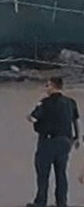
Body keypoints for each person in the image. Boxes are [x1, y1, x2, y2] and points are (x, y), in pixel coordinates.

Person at [27, 76, 80, 207]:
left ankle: (41, 201)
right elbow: (75, 121)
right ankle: (61, 202)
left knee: (43, 173)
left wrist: (31, 118)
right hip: (65, 141)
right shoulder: (71, 102)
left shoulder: (45, 103)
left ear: (53, 86)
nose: (45, 88)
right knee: (61, 173)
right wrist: (76, 137)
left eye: (47, 85)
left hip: (48, 141)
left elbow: (33, 118)